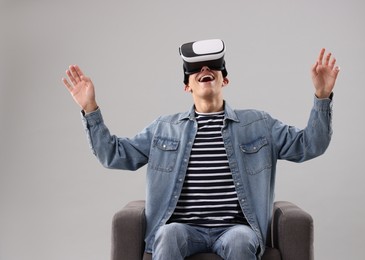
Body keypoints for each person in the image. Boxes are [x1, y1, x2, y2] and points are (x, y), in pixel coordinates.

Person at [62, 39, 340, 260]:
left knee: (241, 241)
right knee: (168, 235)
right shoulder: (164, 128)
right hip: (183, 230)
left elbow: (309, 145)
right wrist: (90, 109)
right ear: (187, 86)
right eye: (196, 69)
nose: (204, 70)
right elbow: (115, 155)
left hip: (236, 229)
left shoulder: (259, 124)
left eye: (212, 67)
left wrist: (322, 97)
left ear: (224, 80)